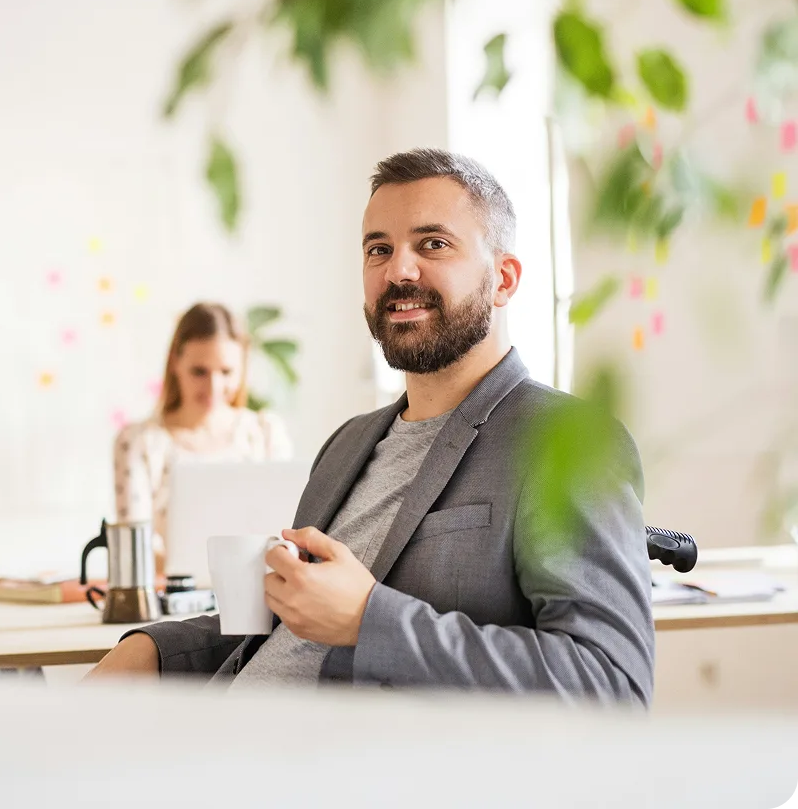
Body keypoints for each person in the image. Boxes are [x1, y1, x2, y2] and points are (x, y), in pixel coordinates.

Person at [89, 149, 654, 705]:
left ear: (504, 279)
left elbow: (611, 685)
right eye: (378, 249)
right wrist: (154, 649)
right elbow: (290, 624)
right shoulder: (348, 444)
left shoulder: (566, 440)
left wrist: (371, 620)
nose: (398, 270)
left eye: (433, 244)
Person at [113, 302, 292, 574]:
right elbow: (136, 549)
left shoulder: (265, 432)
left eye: (226, 372)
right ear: (175, 362)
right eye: (199, 371)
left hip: (260, 593)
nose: (214, 387)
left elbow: (284, 528)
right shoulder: (139, 442)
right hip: (174, 596)